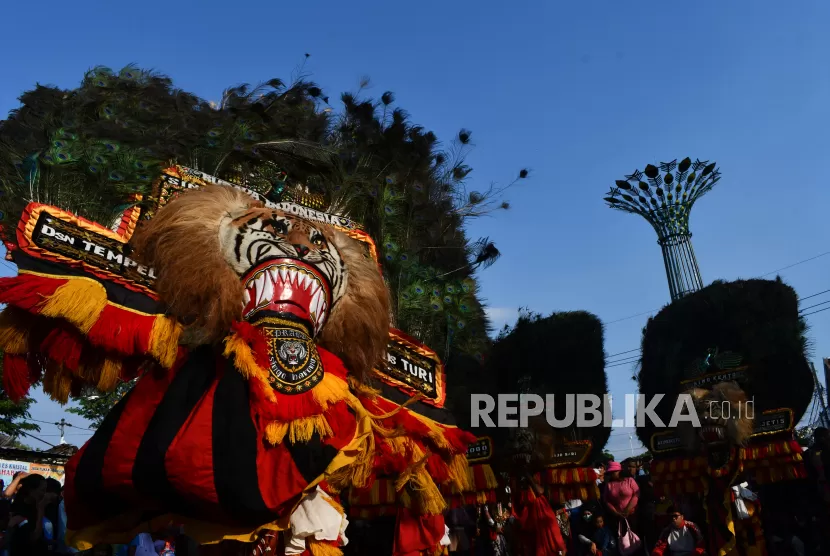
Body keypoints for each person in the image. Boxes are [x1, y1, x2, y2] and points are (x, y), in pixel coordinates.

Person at [7, 474, 57, 556]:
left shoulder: (36, 506)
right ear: (31, 490)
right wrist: (41, 509)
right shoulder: (19, 510)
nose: (44, 494)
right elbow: (34, 537)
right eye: (42, 490)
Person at [600, 461, 639, 536]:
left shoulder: (629, 480)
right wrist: (616, 512)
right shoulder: (609, 485)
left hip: (632, 515)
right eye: (610, 472)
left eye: (614, 471)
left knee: (634, 535)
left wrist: (627, 510)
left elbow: (636, 494)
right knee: (621, 537)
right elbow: (606, 500)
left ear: (620, 471)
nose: (612, 474)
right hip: (617, 517)